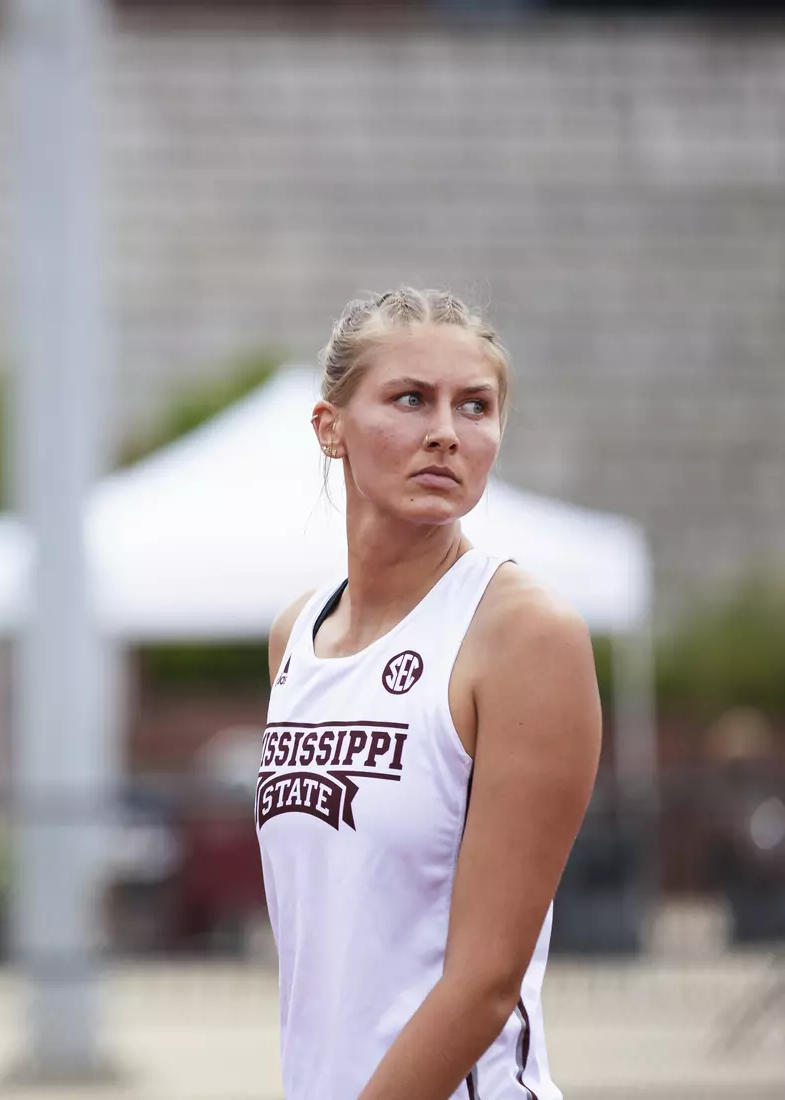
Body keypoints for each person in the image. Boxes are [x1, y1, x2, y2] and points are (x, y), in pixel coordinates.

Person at [257, 288, 601, 1100]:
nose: (445, 431)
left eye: (473, 406)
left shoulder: (524, 634)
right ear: (329, 428)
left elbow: (484, 982)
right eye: (410, 399)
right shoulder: (296, 634)